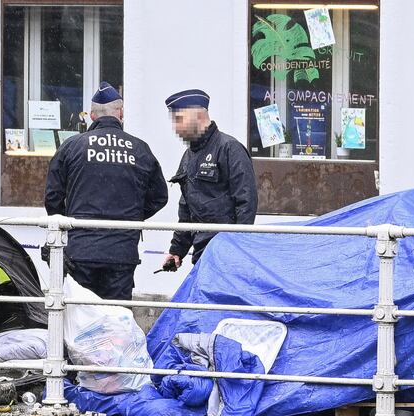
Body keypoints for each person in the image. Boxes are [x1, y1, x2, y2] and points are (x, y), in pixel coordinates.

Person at [44, 81, 169, 300]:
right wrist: (131, 216)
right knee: (116, 316)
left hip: (81, 249)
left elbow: (53, 197)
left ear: (92, 115)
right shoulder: (139, 149)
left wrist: (69, 221)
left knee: (80, 313)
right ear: (121, 113)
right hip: (121, 252)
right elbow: (159, 197)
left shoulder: (72, 146)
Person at [161, 89, 258, 271]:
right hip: (202, 252)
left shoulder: (230, 148)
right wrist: (177, 251)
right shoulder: (189, 156)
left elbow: (246, 202)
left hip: (227, 251)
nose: (176, 127)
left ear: (199, 115)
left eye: (179, 119)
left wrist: (237, 246)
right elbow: (186, 210)